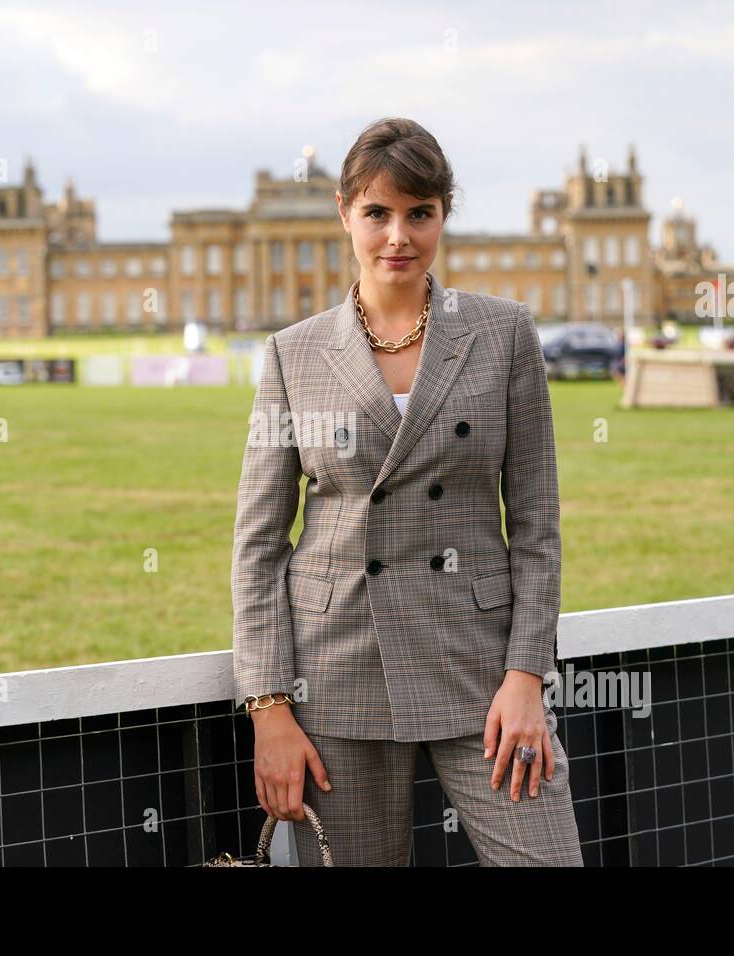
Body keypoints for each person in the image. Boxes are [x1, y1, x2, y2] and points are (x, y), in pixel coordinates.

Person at [231, 117, 583, 866]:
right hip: (337, 674)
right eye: (378, 213)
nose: (399, 236)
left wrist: (527, 676)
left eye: (420, 213)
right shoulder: (292, 355)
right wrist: (269, 709)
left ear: (443, 216)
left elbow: (538, 525)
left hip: (481, 674)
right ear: (344, 213)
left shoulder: (504, 334)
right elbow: (259, 545)